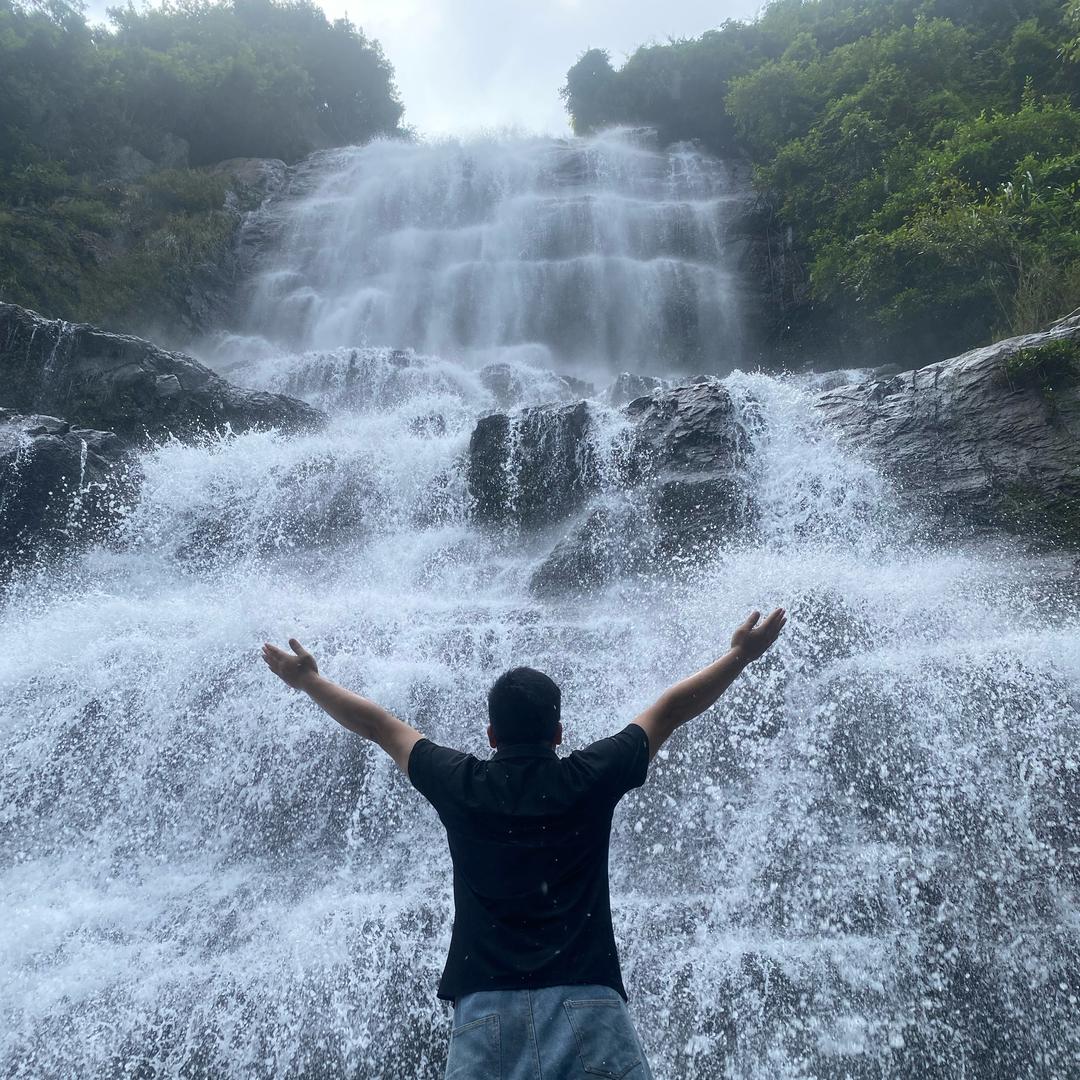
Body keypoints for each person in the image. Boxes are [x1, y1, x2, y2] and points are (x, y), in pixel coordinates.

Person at [262, 607, 787, 1079]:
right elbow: (669, 710)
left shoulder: (460, 783)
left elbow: (379, 727)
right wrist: (740, 655)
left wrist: (309, 681)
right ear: (558, 732)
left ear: (491, 734)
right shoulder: (589, 777)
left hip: (485, 1013)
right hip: (588, 1002)